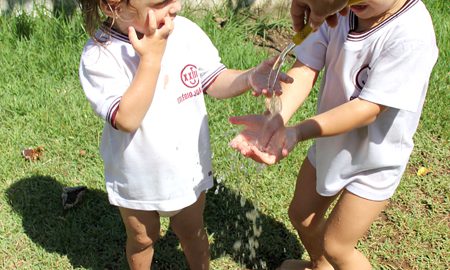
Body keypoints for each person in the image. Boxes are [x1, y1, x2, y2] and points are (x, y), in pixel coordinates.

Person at [77, 0, 291, 269]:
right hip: (136, 177)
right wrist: (151, 57)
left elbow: (214, 80)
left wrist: (247, 78)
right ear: (114, 7)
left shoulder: (185, 32)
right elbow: (127, 119)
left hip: (187, 170)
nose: (176, 6)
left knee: (192, 231)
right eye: (161, 2)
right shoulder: (102, 55)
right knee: (143, 238)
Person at [230, 0, 438, 269]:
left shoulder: (411, 34)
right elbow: (305, 68)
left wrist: (298, 132)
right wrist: (278, 120)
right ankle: (321, 266)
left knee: (337, 246)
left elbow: (368, 109)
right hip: (330, 142)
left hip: (374, 162)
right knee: (302, 215)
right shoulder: (336, 9)